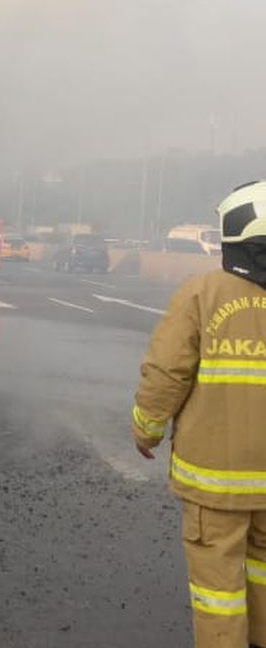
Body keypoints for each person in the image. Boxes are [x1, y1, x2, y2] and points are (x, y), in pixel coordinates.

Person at [132, 180, 266, 648]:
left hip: (218, 480)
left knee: (219, 588)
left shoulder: (202, 294)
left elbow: (166, 372)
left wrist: (146, 430)